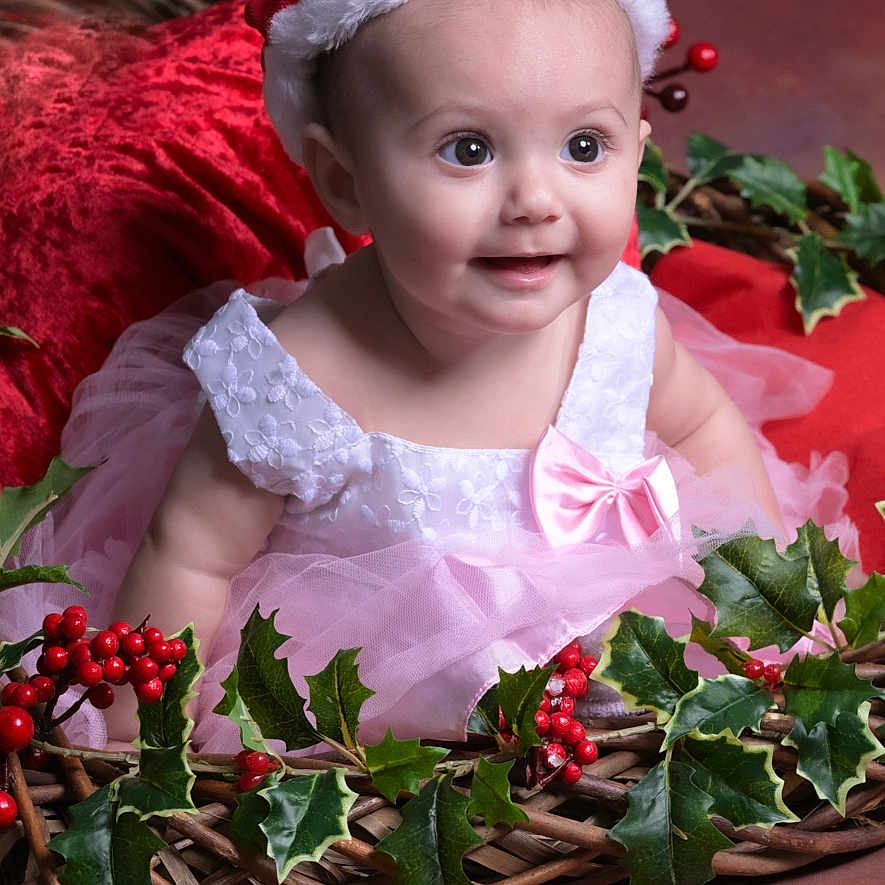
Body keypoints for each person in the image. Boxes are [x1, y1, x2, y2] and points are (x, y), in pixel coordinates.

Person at [5, 0, 858, 751]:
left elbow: (707, 427)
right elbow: (187, 554)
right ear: (347, 183)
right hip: (380, 704)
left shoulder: (617, 320)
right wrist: (140, 731)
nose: (534, 198)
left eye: (582, 145)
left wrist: (774, 599)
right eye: (469, 148)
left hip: (619, 655)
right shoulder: (297, 379)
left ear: (637, 151)